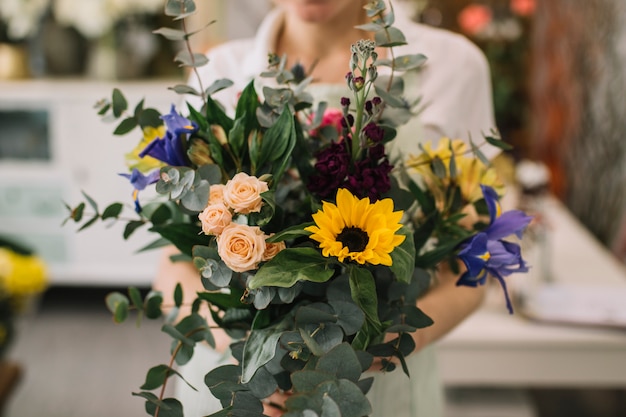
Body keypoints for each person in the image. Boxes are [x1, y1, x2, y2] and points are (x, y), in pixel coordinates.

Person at [153, 0, 497, 416]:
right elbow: (174, 265)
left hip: (378, 389)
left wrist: (385, 347)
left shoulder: (453, 67)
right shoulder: (218, 73)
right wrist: (254, 354)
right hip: (242, 390)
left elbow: (476, 263)